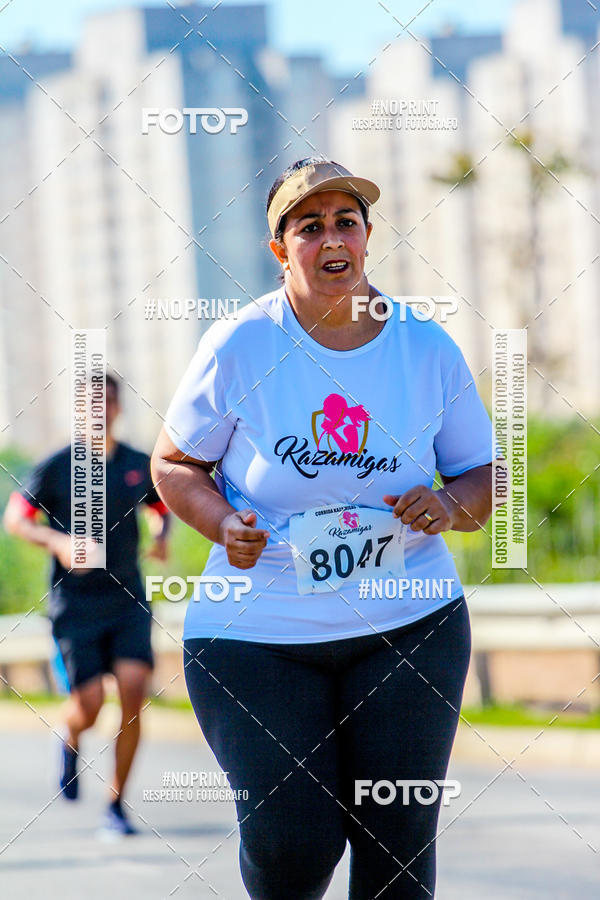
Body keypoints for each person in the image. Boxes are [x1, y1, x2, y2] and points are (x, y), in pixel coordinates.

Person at [151, 157, 498, 898]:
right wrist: (222, 522)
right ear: (280, 249)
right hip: (257, 632)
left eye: (347, 221)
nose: (332, 238)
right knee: (293, 844)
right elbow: (175, 463)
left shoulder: (424, 346)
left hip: (409, 623)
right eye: (310, 227)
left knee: (397, 845)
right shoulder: (240, 345)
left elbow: (485, 475)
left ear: (368, 236)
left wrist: (448, 506)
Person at [4, 373, 170, 836]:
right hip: (74, 604)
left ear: (118, 407)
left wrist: (161, 535)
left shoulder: (137, 463)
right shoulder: (57, 466)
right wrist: (58, 542)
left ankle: (115, 805)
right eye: (92, 403)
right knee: (90, 705)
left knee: (134, 690)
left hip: (127, 597)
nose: (101, 410)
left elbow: (160, 506)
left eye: (108, 401)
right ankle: (70, 734)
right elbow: (16, 518)